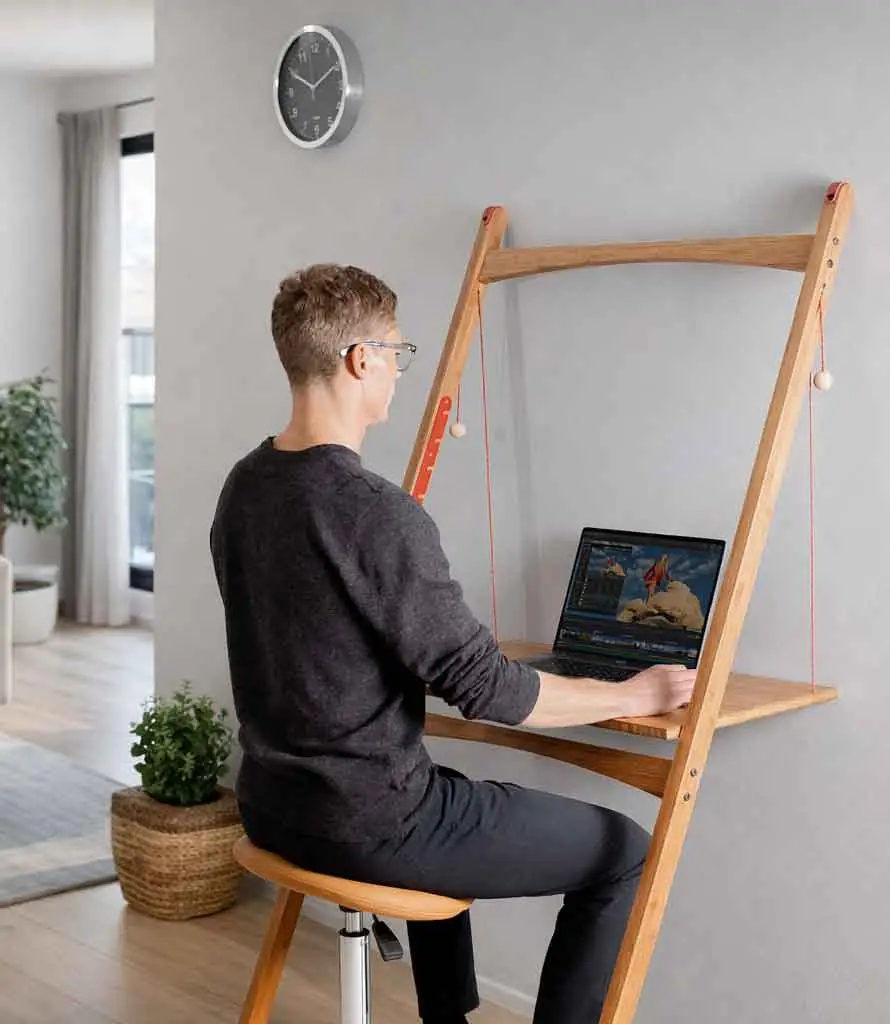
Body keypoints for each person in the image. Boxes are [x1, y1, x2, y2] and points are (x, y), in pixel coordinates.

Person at [210, 264, 695, 1024]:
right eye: (396, 354)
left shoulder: (245, 485)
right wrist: (633, 694)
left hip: (274, 804)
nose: (399, 374)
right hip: (364, 823)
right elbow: (493, 692)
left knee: (448, 785)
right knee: (629, 851)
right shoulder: (375, 510)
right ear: (359, 359)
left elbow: (319, 640)